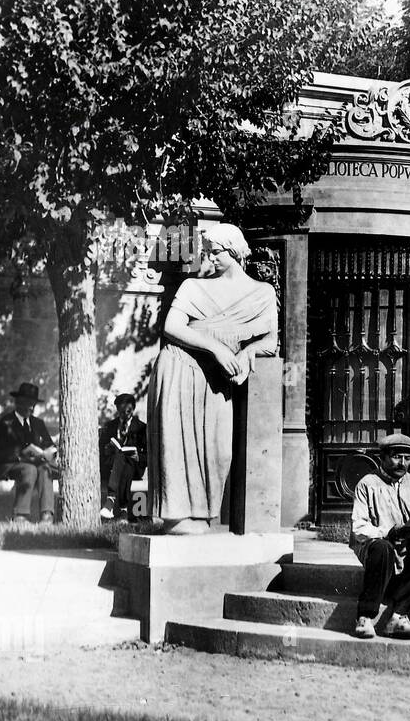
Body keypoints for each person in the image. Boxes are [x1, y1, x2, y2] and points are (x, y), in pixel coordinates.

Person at [146, 223, 277, 535]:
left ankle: (203, 516)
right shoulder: (194, 287)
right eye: (207, 253)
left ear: (235, 252)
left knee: (219, 452)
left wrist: (248, 354)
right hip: (181, 370)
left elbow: (271, 340)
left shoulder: (262, 293)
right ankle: (180, 518)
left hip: (216, 383)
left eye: (216, 253)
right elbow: (172, 327)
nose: (210, 259)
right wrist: (216, 347)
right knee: (179, 449)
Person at [349, 433, 410, 640]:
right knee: (382, 548)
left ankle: (398, 618)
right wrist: (389, 532)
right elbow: (359, 527)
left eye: (407, 458)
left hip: (407, 550)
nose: (402, 463)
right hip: (379, 553)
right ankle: (365, 617)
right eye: (396, 457)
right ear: (382, 457)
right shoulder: (368, 484)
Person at [0, 382, 58, 523]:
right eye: (28, 403)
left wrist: (49, 452)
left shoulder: (38, 423)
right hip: (11, 466)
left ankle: (47, 516)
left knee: (45, 468)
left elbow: (49, 445)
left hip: (36, 464)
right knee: (29, 469)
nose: (31, 407)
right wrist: (21, 455)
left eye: (33, 404)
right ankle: (20, 516)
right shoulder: (5, 423)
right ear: (18, 403)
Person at [99, 393, 147, 522]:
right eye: (121, 412)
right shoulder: (110, 426)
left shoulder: (142, 428)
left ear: (133, 409)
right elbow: (101, 450)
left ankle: (110, 501)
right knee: (120, 456)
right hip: (112, 466)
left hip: (134, 466)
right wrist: (107, 449)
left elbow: (147, 456)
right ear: (117, 410)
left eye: (127, 411)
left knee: (123, 458)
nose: (124, 415)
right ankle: (124, 511)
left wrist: (138, 457)